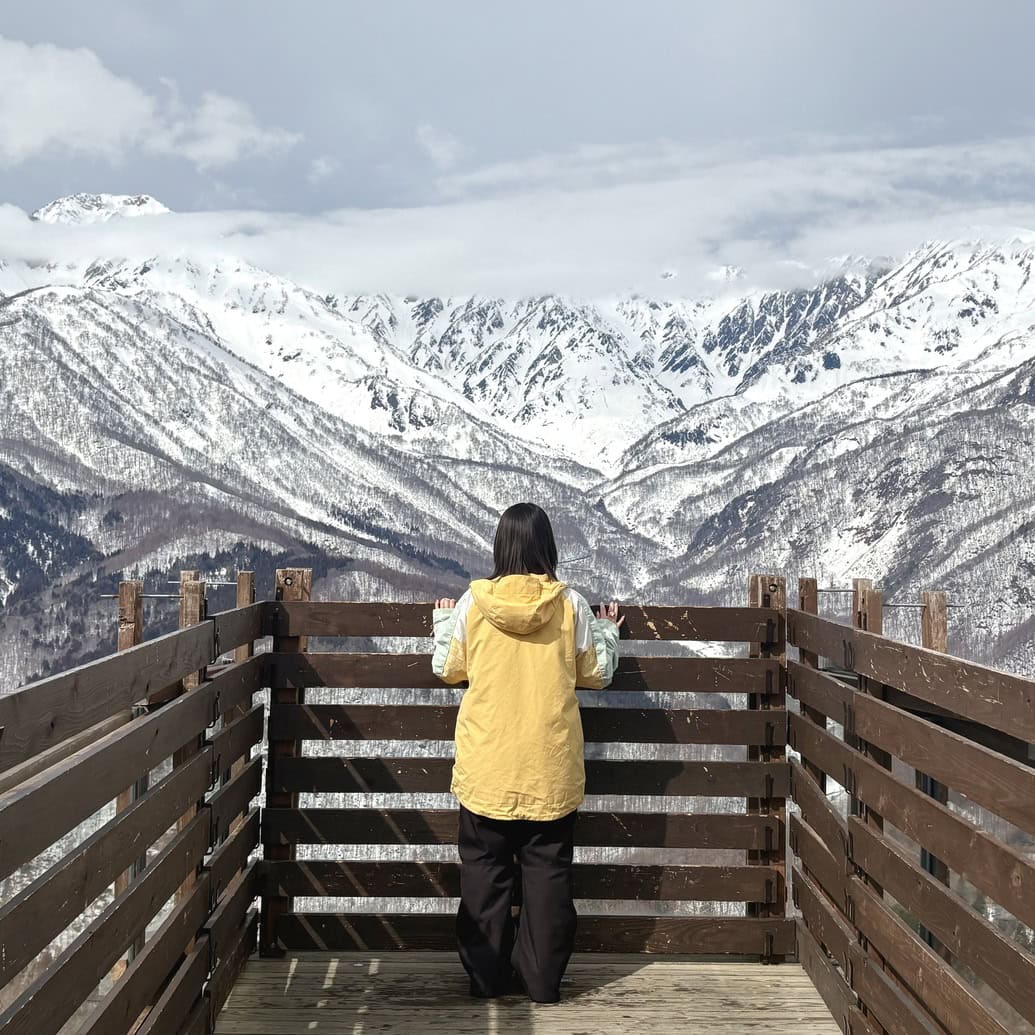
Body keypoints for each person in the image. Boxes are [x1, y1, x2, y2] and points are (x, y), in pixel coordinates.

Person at [432, 502, 623, 1004]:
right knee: (548, 877)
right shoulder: (571, 605)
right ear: (548, 548)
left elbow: (449, 670)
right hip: (549, 769)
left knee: (484, 874)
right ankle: (541, 983)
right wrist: (608, 631)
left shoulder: (472, 606)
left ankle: (486, 980)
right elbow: (596, 674)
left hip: (487, 768)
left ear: (501, 546)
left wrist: (442, 625)